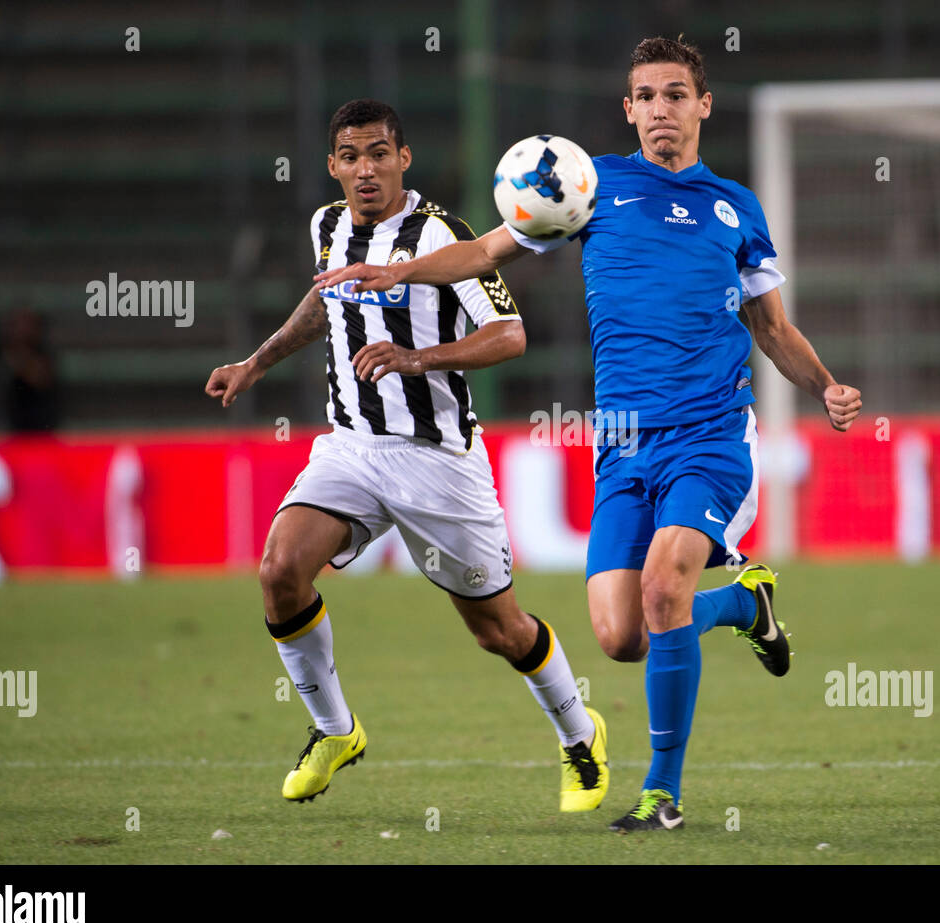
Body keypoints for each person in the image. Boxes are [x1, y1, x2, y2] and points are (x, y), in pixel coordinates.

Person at [316, 39, 861, 833]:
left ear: (703, 106)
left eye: (676, 94)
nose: (660, 110)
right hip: (623, 446)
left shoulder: (735, 207)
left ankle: (661, 794)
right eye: (645, 96)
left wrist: (827, 386)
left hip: (707, 436)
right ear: (629, 109)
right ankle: (746, 604)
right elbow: (485, 250)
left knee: (666, 586)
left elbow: (772, 326)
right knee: (620, 635)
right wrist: (399, 272)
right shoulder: (590, 184)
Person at [205, 99, 608, 811]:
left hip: (439, 462)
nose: (366, 169)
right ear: (333, 166)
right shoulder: (325, 226)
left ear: (404, 158)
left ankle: (580, 734)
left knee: (499, 631)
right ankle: (336, 729)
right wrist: (255, 361)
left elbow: (509, 334)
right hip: (351, 450)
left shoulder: (442, 236)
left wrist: (417, 359)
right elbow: (322, 303)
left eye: (380, 153)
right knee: (279, 571)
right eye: (352, 156)